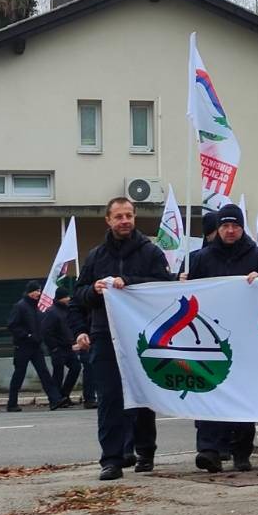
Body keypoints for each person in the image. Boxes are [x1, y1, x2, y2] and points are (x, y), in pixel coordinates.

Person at [74, 196, 173, 480]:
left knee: (142, 394)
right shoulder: (95, 256)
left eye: (129, 215)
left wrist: (128, 283)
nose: (125, 221)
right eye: (119, 216)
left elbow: (163, 287)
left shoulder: (150, 252)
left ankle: (145, 451)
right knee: (109, 398)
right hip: (105, 334)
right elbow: (79, 295)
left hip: (142, 336)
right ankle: (112, 460)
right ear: (108, 220)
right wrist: (93, 290)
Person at [184, 203, 258, 473]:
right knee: (209, 391)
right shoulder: (201, 258)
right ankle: (209, 449)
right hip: (210, 338)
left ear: (242, 227)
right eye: (225, 225)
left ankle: (241, 450)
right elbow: (191, 297)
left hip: (246, 338)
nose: (230, 230)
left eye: (235, 225)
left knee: (242, 395)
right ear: (218, 228)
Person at [6, 280, 60, 412]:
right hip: (23, 346)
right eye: (36, 291)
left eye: (39, 290)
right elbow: (12, 325)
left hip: (36, 346)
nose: (38, 293)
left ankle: (55, 400)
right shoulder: (20, 306)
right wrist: (27, 335)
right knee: (19, 374)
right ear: (30, 292)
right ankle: (12, 403)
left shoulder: (36, 307)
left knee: (44, 373)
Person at [43, 283, 81, 408]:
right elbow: (47, 331)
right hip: (58, 348)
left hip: (68, 347)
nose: (69, 299)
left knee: (76, 367)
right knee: (58, 374)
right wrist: (54, 347)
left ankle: (64, 394)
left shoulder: (67, 310)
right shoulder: (52, 312)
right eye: (66, 297)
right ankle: (56, 399)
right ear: (61, 298)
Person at [62, 284, 96, 408]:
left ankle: (91, 397)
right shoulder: (76, 308)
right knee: (89, 370)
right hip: (85, 340)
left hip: (90, 338)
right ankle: (89, 398)